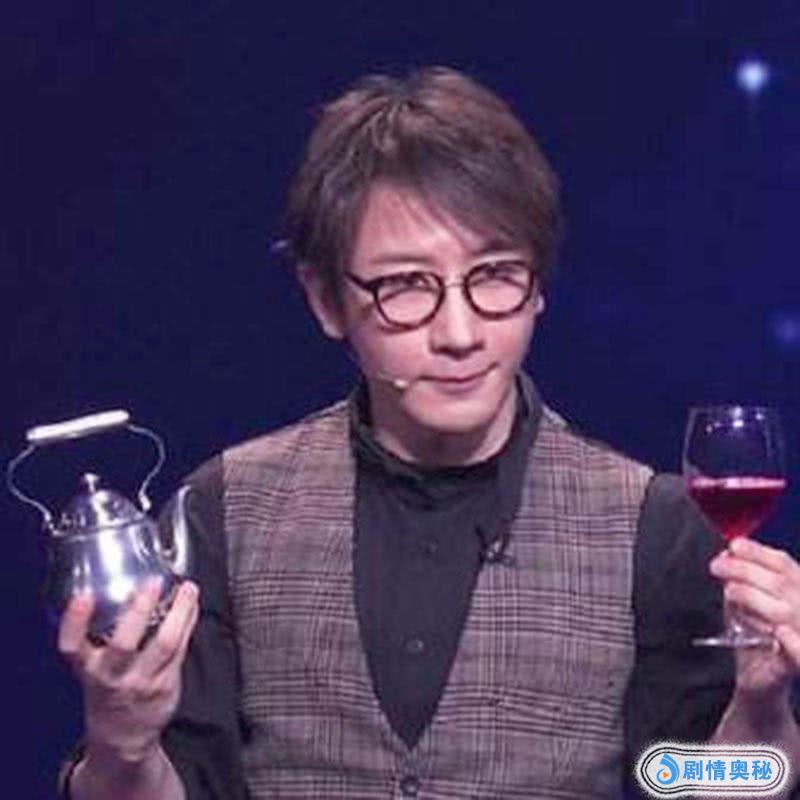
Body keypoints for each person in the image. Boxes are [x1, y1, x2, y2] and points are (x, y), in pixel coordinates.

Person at [58, 66, 800, 799]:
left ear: (538, 287)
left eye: (495, 275)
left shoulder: (655, 526)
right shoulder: (224, 509)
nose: (459, 333)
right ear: (325, 300)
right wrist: (121, 746)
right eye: (406, 286)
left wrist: (763, 707)